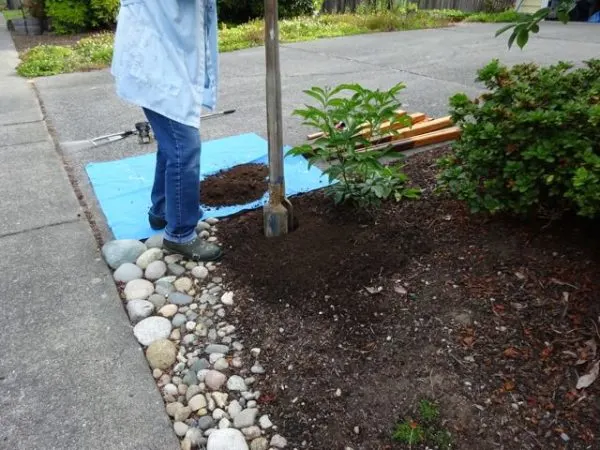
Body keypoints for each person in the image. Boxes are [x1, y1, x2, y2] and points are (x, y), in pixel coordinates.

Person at [110, 0, 222, 262]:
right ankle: (180, 235)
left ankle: (161, 209)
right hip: (156, 60)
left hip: (162, 54)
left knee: (171, 142)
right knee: (185, 146)